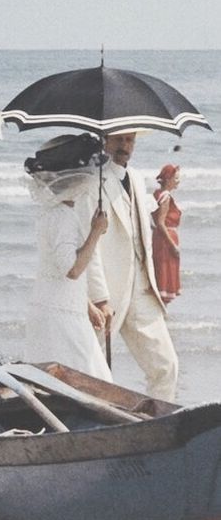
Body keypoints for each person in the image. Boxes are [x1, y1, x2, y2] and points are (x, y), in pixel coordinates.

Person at [78, 131, 178, 402]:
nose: (125, 146)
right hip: (109, 293)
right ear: (104, 140)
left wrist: (160, 211)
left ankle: (159, 428)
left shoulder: (134, 177)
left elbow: (142, 223)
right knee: (90, 373)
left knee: (165, 366)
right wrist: (99, 297)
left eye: (130, 140)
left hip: (142, 288)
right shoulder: (91, 182)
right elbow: (92, 246)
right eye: (119, 139)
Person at [24, 134, 112, 381]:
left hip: (58, 305)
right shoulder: (62, 216)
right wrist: (96, 232)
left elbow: (59, 266)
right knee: (90, 381)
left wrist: (87, 305)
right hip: (60, 316)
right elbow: (71, 269)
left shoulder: (53, 211)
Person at [151, 164, 182, 304]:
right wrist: (172, 245)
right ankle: (162, 314)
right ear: (168, 179)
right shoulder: (166, 197)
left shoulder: (156, 194)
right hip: (165, 240)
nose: (178, 181)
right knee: (165, 276)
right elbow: (161, 223)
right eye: (176, 178)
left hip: (158, 238)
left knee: (159, 275)